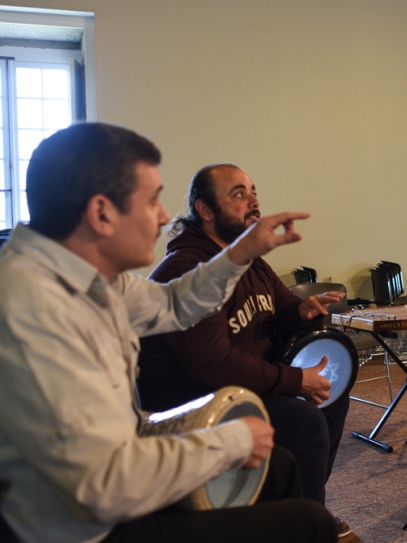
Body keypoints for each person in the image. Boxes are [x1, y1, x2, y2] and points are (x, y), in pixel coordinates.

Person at [0, 123, 337, 543]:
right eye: (152, 199)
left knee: (278, 468)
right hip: (77, 526)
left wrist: (241, 251)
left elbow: (174, 305)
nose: (163, 215)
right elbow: (104, 487)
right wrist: (230, 440)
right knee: (308, 524)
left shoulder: (87, 279)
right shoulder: (30, 311)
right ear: (101, 213)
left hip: (96, 485)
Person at [136, 163, 351, 537]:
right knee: (304, 421)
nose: (253, 202)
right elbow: (214, 365)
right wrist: (294, 380)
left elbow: (282, 310)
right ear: (205, 210)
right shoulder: (184, 267)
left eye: (253, 192)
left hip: (242, 387)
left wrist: (302, 312)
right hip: (198, 402)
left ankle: (303, 504)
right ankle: (306, 523)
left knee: (331, 395)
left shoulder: (250, 261)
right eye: (239, 194)